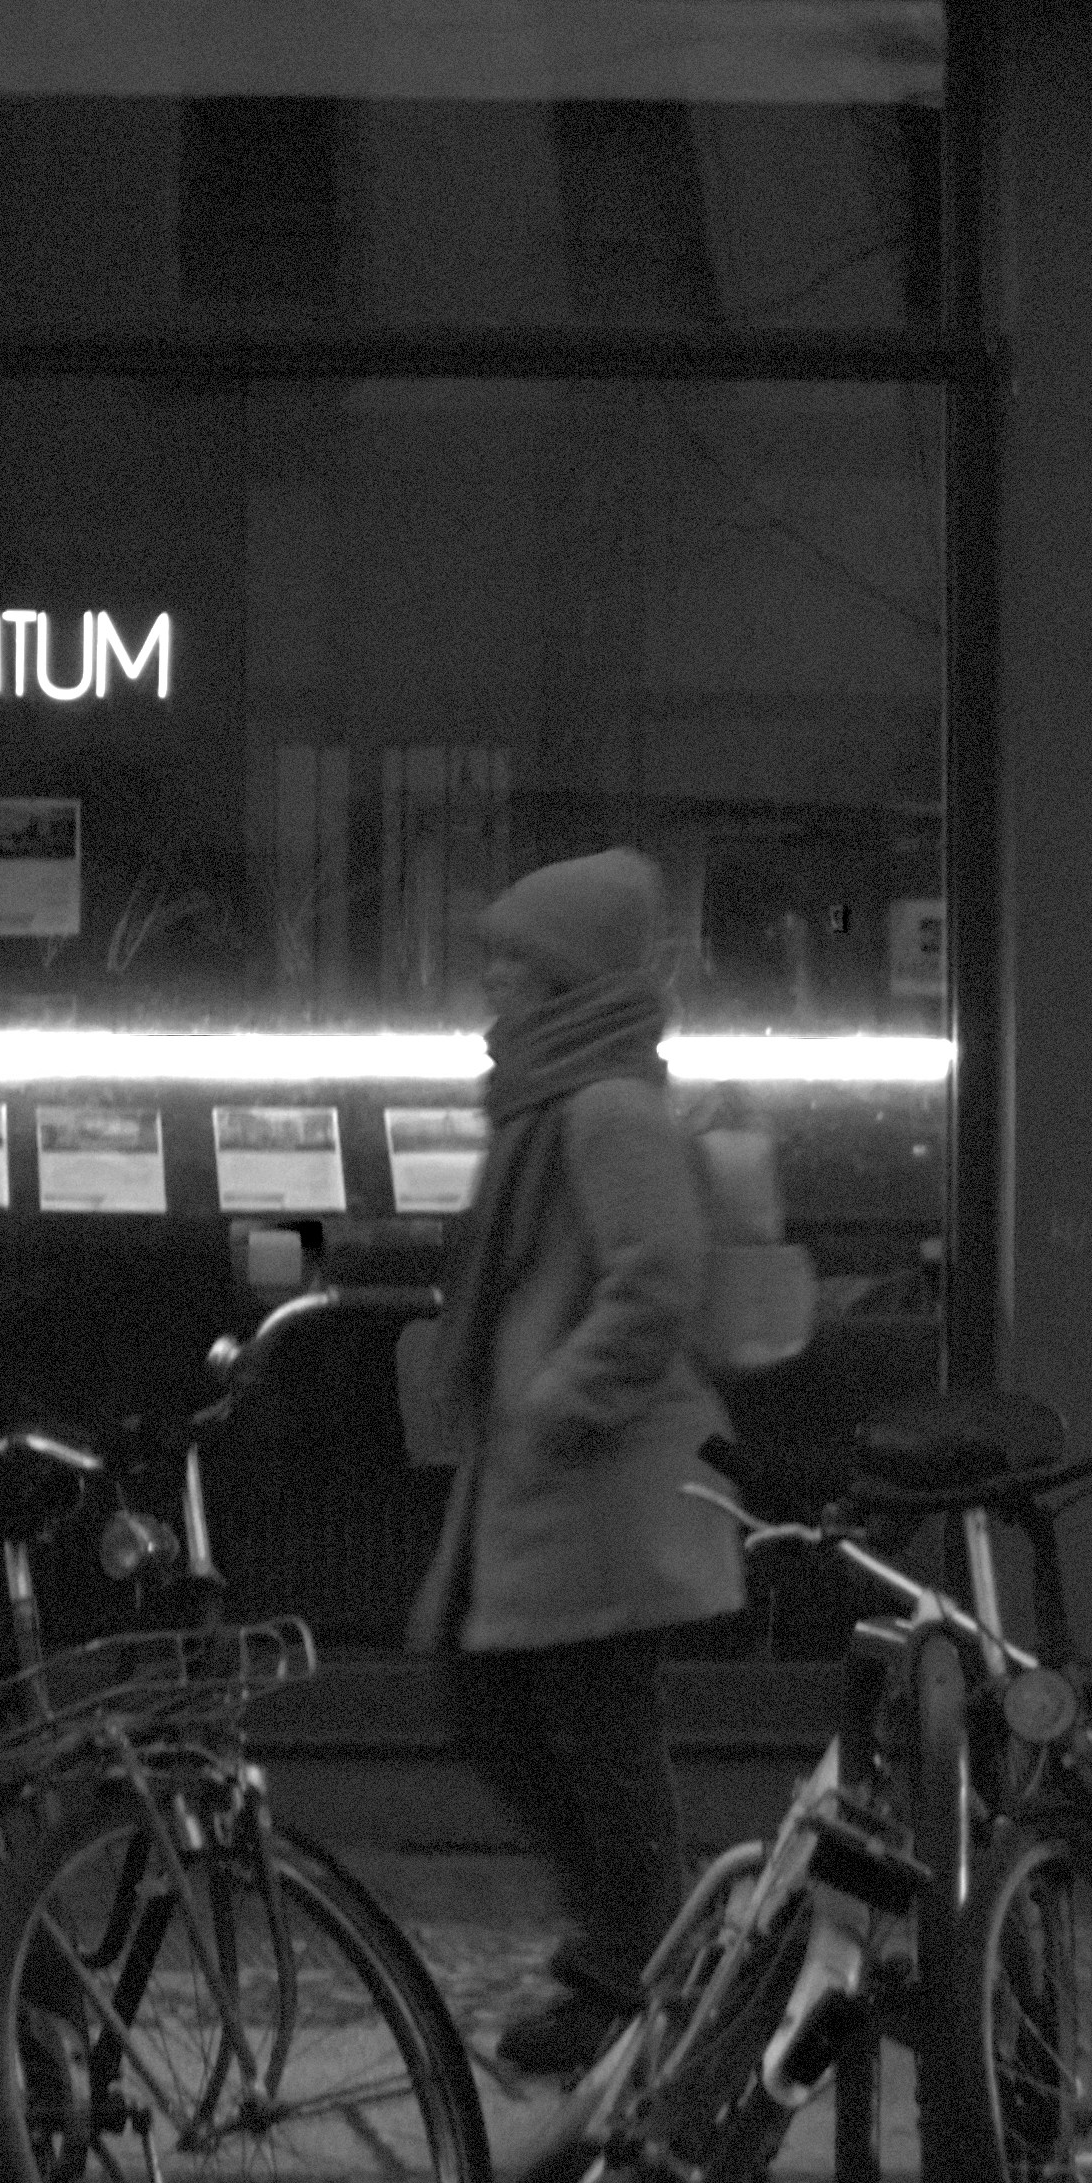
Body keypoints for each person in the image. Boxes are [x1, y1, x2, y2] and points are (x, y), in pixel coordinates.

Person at [406, 846, 743, 2080]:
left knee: (580, 1721)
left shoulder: (604, 1109)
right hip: (551, 1484)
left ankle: (637, 1966)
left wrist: (560, 1398)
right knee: (520, 1707)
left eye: (516, 967)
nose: (492, 988)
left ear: (566, 983)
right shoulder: (556, 1102)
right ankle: (632, 1950)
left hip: (596, 1482)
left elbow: (657, 1276)